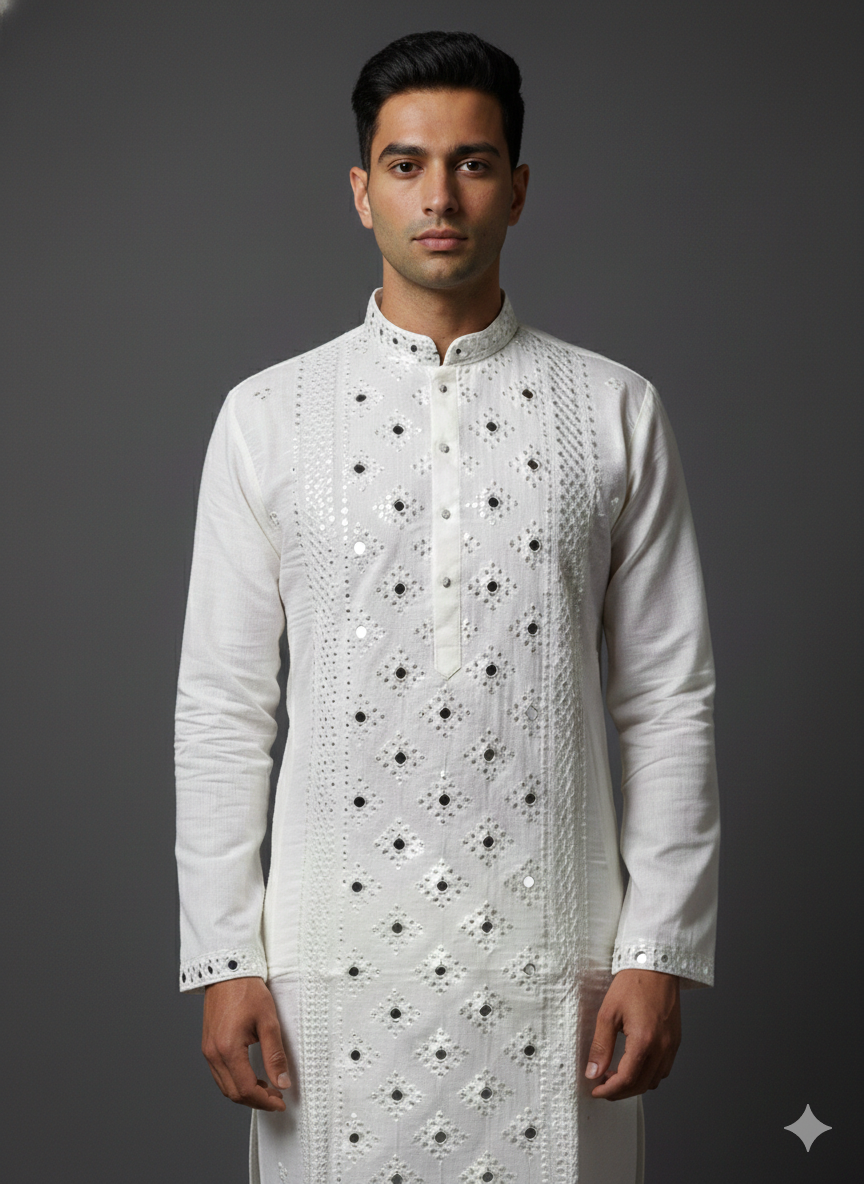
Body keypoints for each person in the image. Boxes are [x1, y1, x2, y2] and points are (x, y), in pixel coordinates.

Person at [175, 29, 720, 1184]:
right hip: (328, 973)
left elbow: (668, 698)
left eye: (472, 164)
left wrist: (660, 945)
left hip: (561, 969)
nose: (440, 197)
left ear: (516, 189)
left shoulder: (614, 410)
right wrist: (224, 955)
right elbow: (222, 705)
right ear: (360, 189)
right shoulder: (268, 416)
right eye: (407, 164)